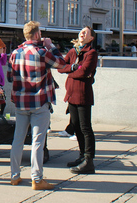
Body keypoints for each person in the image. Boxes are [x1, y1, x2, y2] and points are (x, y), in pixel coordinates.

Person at [9, 21, 66, 190]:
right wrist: (52, 46)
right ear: (36, 35)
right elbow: (62, 64)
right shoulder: (42, 52)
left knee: (17, 140)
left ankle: (14, 176)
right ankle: (37, 179)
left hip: (20, 103)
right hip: (39, 102)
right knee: (37, 142)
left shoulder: (15, 53)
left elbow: (10, 77)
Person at [58, 26, 98, 174]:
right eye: (81, 31)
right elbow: (60, 66)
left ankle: (89, 160)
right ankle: (82, 156)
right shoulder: (73, 51)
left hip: (83, 94)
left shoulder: (91, 53)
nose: (82, 33)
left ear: (91, 38)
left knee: (86, 127)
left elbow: (85, 72)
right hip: (72, 94)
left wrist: (71, 71)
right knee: (76, 127)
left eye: (86, 32)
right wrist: (74, 68)